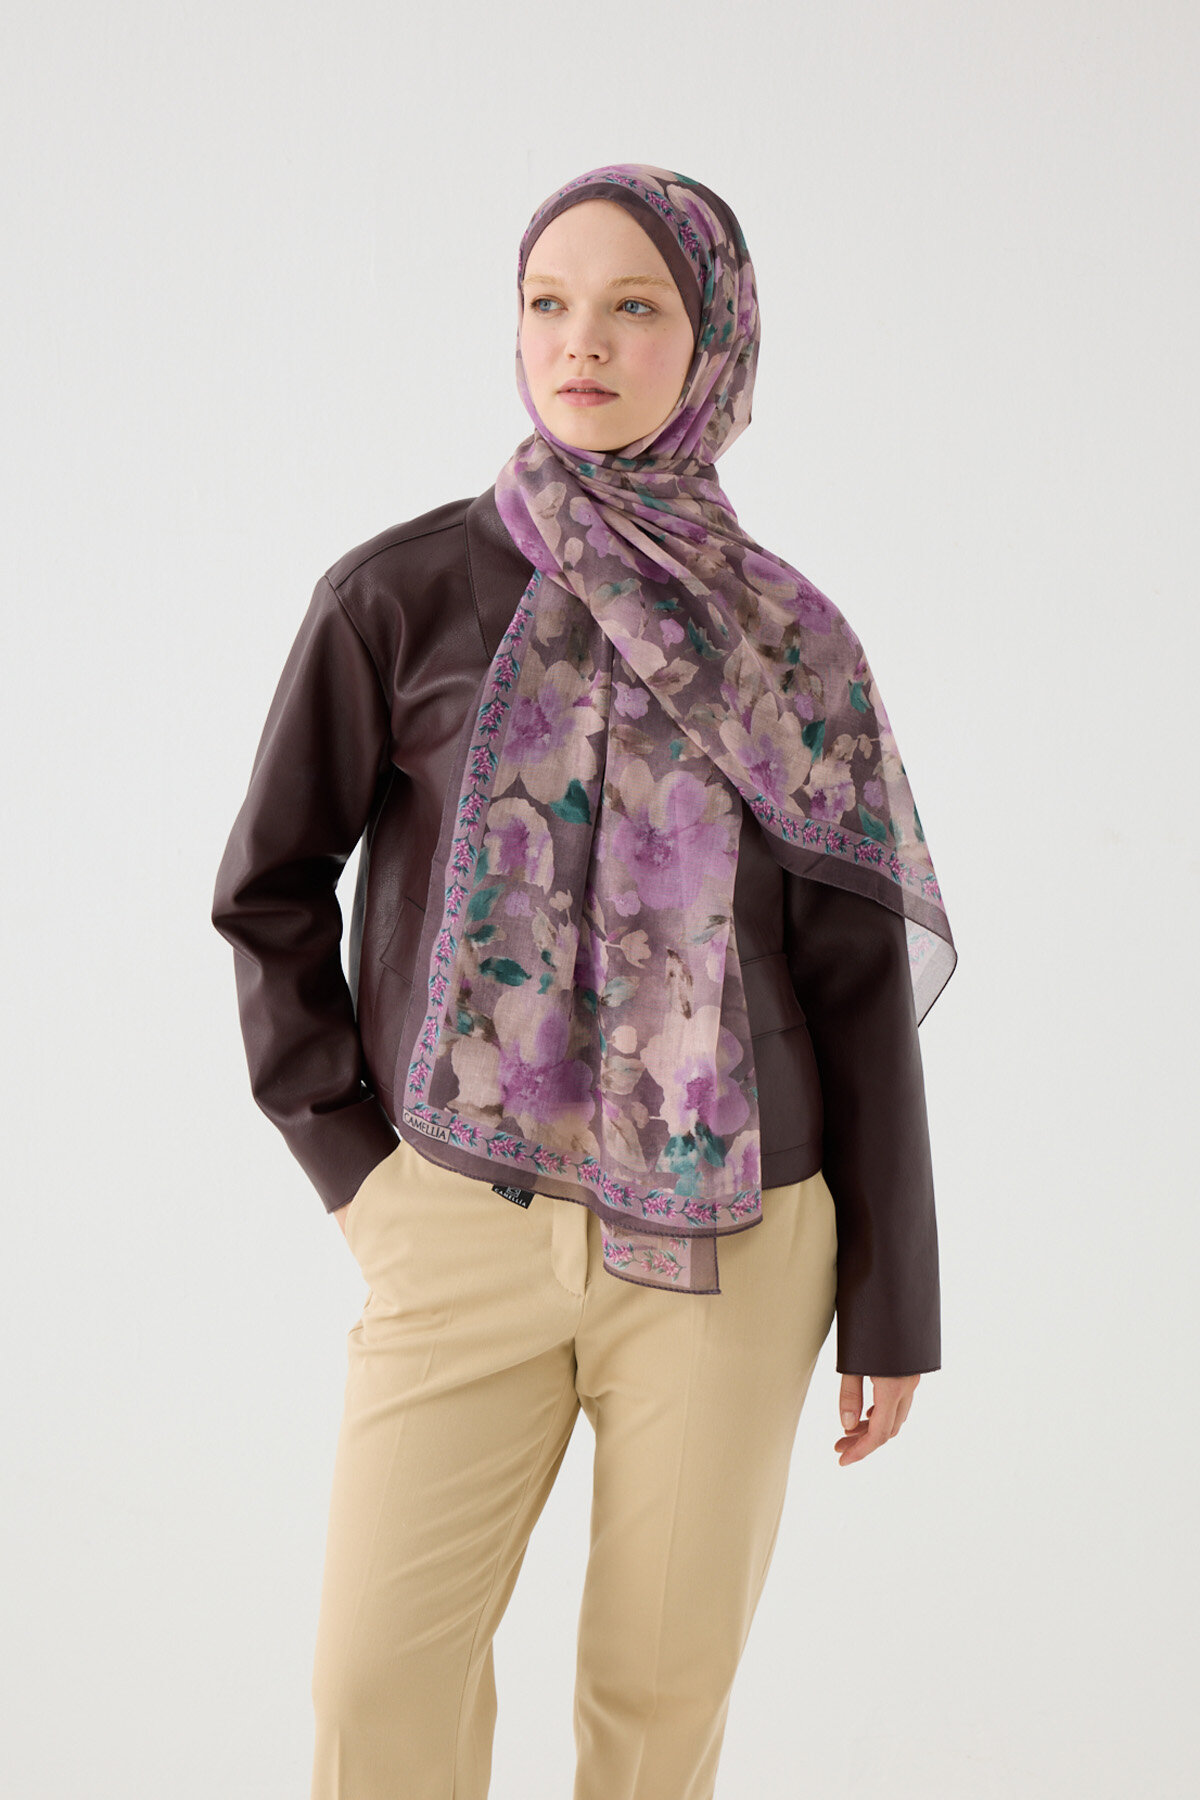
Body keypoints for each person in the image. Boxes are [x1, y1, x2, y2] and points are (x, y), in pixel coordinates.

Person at [212, 162, 956, 1800]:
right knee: (375, 1683)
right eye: (548, 303)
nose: (583, 343)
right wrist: (358, 1170)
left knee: (655, 1701)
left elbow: (854, 986)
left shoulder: (792, 642)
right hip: (456, 1220)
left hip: (735, 1237)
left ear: (717, 342)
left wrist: (892, 1295)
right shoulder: (396, 596)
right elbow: (266, 893)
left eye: (636, 306)